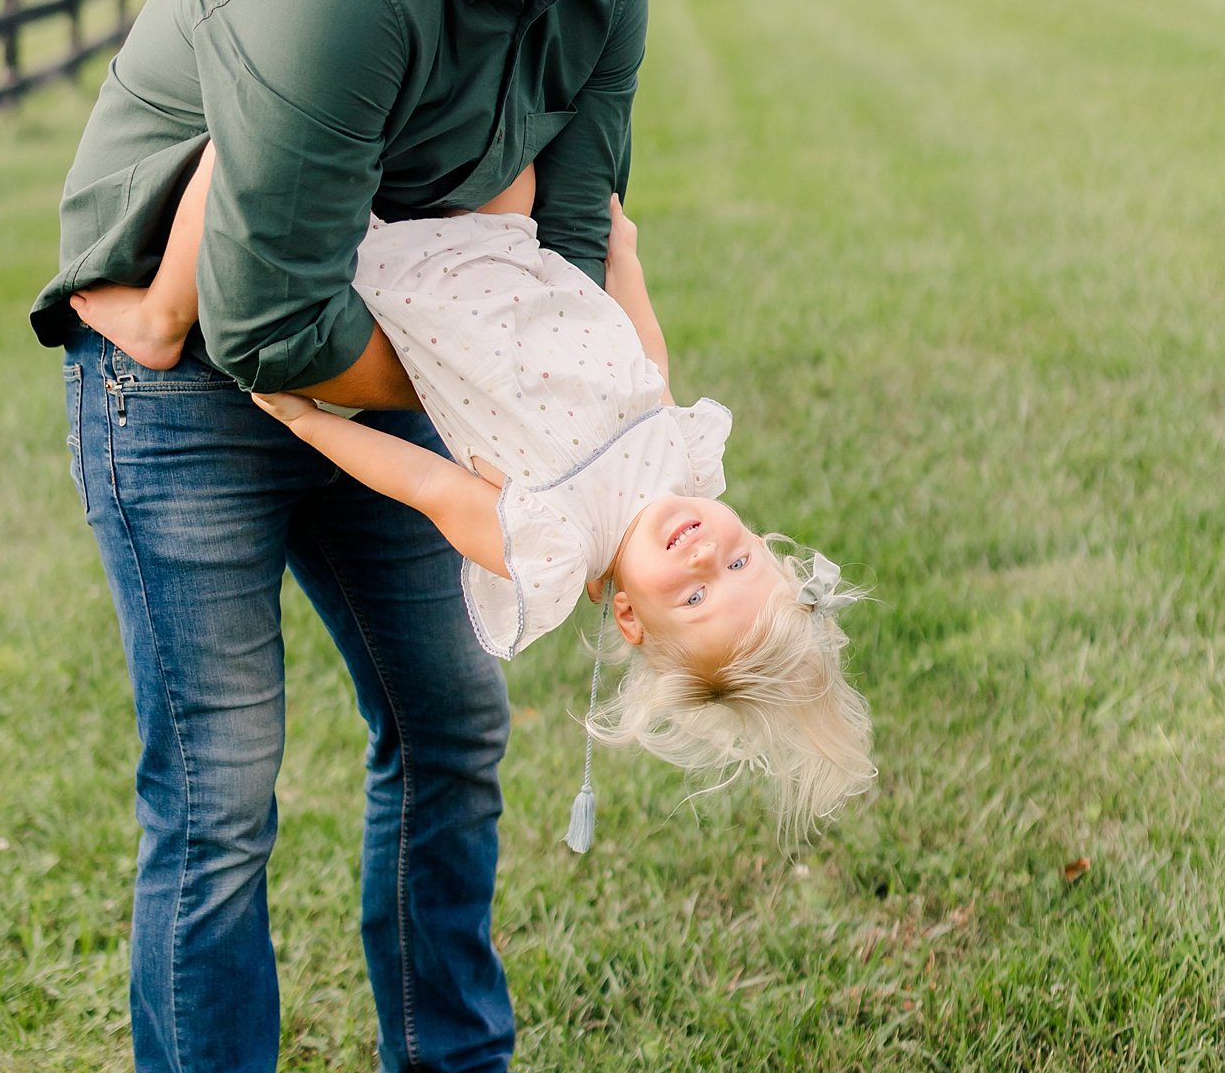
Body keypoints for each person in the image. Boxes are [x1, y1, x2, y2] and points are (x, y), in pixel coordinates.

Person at [31, 0, 702, 1073]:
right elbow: (259, 329)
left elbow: (574, 227)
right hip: (183, 372)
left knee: (452, 715)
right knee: (221, 797)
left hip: (362, 333)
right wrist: (474, 442)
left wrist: (590, 443)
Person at [71, 150, 874, 838]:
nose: (705, 553)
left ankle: (158, 315)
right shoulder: (683, 460)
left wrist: (309, 424)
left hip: (414, 278)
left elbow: (426, 483)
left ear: (630, 617)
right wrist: (622, 255)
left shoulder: (554, 545)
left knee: (252, 153)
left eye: (695, 595)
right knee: (504, 141)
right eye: (738, 562)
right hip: (505, 244)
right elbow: (643, 355)